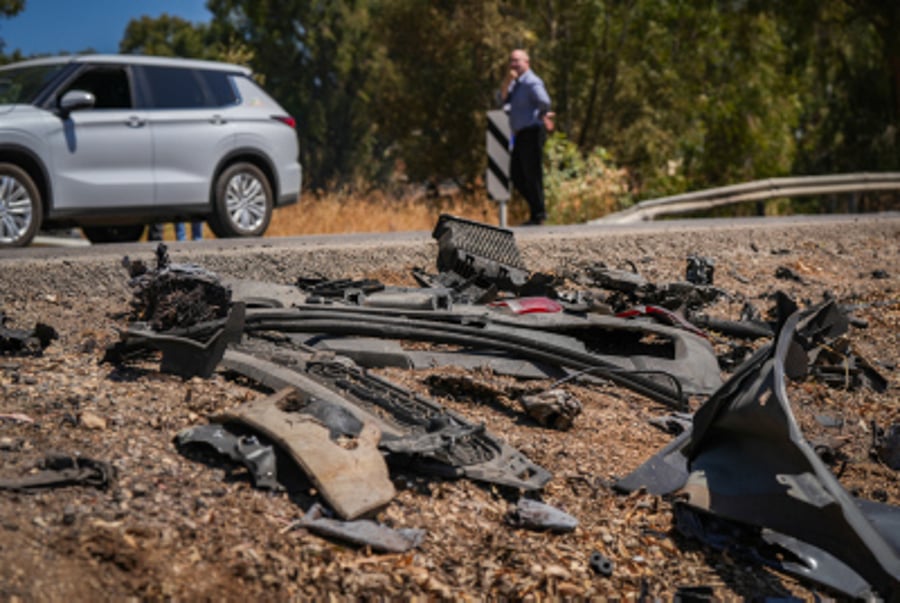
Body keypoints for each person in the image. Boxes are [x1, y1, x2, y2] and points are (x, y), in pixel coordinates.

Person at [501, 49, 554, 226]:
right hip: (520, 134)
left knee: (532, 174)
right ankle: (536, 211)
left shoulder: (532, 82)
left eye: (517, 60)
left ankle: (538, 214)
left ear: (527, 62)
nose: (514, 64)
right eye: (511, 61)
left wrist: (542, 115)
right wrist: (508, 80)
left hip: (532, 132)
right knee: (516, 174)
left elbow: (544, 101)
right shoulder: (515, 84)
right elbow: (501, 99)